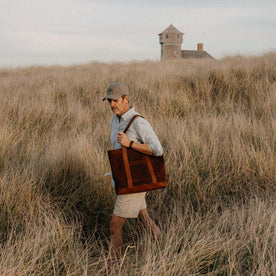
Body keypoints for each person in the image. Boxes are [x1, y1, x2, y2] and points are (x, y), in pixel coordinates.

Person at [103, 83, 163, 253]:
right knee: (143, 219)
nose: (112, 104)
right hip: (124, 178)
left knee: (115, 226)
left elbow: (158, 149)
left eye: (115, 100)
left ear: (126, 99)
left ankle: (112, 269)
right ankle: (162, 248)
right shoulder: (114, 121)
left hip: (134, 181)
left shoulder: (138, 122)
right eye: (109, 101)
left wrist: (130, 143)